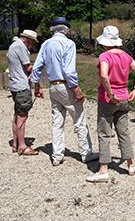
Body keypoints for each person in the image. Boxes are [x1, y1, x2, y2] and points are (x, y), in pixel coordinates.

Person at [31, 17, 98, 166]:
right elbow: (68, 69)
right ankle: (86, 153)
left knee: (57, 122)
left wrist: (36, 86)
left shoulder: (46, 44)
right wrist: (76, 88)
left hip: (53, 86)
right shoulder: (68, 43)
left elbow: (36, 67)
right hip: (66, 86)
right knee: (79, 120)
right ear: (65, 29)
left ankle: (57, 155)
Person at [86, 26, 135, 183]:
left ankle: (103, 170)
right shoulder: (126, 56)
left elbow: (104, 75)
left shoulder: (105, 56)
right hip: (124, 99)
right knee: (123, 132)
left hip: (108, 100)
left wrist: (110, 94)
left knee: (104, 133)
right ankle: (130, 165)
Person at [7, 29, 39, 155]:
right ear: (28, 41)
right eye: (32, 43)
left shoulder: (13, 46)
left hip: (15, 85)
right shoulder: (20, 47)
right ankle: (22, 146)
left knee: (17, 115)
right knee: (22, 117)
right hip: (21, 86)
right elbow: (29, 67)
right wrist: (40, 66)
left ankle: (15, 144)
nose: (32, 46)